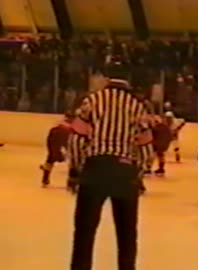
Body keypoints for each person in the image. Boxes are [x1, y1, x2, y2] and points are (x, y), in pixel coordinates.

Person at [68, 59, 153, 270]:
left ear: (106, 77)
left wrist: (77, 170)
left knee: (84, 233)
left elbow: (77, 139)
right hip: (125, 170)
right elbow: (146, 147)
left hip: (95, 168)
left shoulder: (93, 100)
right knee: (127, 235)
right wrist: (137, 174)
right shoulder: (138, 106)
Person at [39, 112, 75, 188]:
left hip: (54, 145)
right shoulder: (72, 127)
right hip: (62, 146)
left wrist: (51, 150)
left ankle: (45, 179)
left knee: (50, 160)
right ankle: (71, 183)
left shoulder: (57, 125)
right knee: (72, 163)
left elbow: (49, 138)